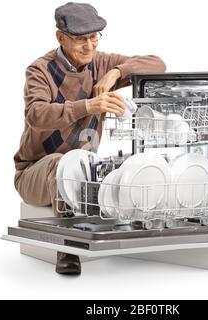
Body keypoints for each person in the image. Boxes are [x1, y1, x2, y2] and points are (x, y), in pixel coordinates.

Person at [13, 2, 166, 275]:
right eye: (81, 39)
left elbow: (158, 64)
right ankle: (68, 249)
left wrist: (116, 72)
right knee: (60, 162)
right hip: (33, 172)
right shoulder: (39, 70)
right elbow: (37, 114)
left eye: (94, 37)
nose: (89, 46)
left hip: (83, 168)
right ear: (60, 37)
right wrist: (88, 106)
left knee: (114, 167)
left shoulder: (100, 63)